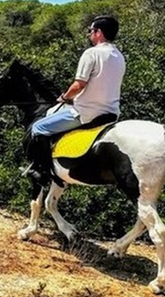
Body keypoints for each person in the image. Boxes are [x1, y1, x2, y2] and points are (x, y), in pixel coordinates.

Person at [24, 15, 125, 183]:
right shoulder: (119, 56)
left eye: (91, 31)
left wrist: (64, 97)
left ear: (99, 32)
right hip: (111, 112)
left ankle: (40, 170)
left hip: (86, 113)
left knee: (38, 127)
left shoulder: (92, 53)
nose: (89, 35)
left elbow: (79, 84)